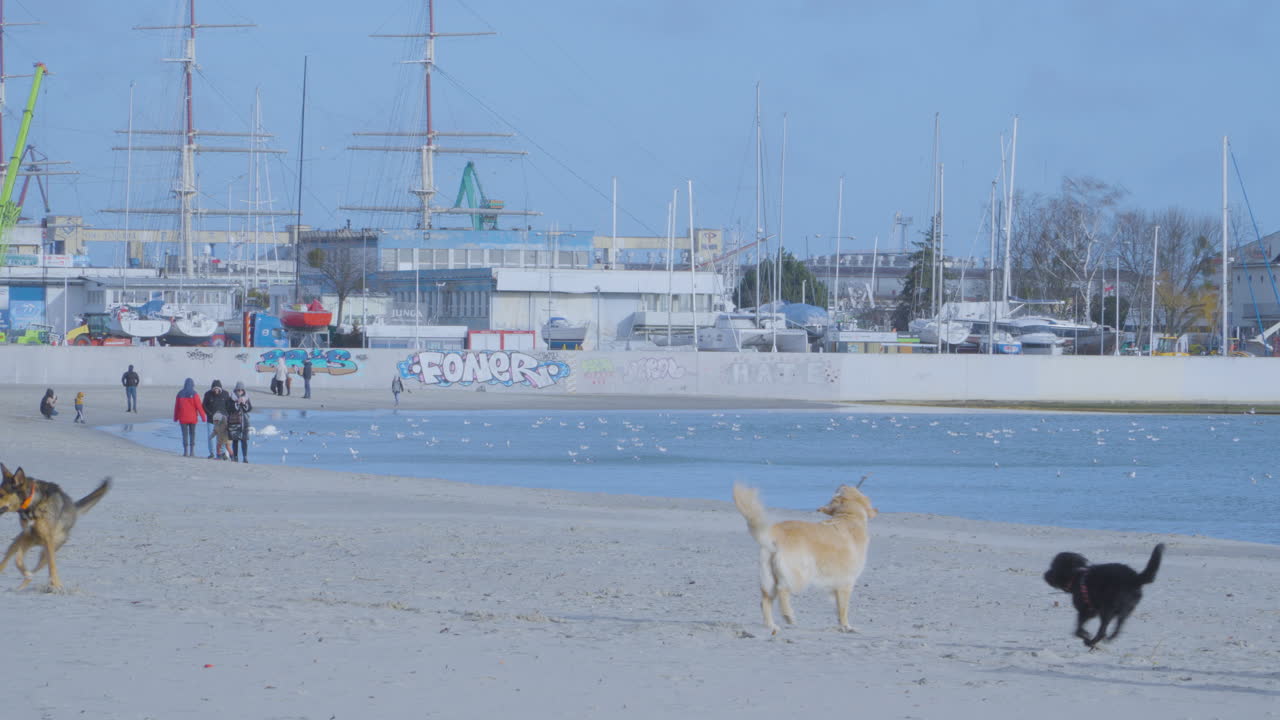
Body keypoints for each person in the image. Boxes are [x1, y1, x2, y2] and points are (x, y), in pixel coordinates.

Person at [173, 378, 206, 457]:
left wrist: (175, 418)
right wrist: (203, 417)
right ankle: (192, 451)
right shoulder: (194, 394)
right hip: (192, 418)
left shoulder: (179, 394)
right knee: (192, 434)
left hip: (183, 418)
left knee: (184, 434)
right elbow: (199, 407)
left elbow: (177, 407)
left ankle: (185, 451)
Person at [202, 380, 234, 459]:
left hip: (222, 421)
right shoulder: (208, 394)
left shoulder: (225, 394)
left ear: (220, 389)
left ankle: (222, 453)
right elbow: (203, 405)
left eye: (217, 389)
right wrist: (209, 413)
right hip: (211, 420)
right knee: (211, 436)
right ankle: (212, 453)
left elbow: (229, 405)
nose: (216, 390)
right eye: (214, 388)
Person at [229, 381, 253, 463]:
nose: (239, 392)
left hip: (245, 423)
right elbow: (229, 408)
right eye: (238, 390)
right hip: (234, 422)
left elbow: (249, 408)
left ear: (243, 391)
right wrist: (237, 404)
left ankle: (245, 457)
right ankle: (235, 457)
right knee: (235, 440)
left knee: (244, 440)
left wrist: (244, 404)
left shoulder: (246, 397)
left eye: (241, 390)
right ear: (235, 390)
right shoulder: (232, 397)